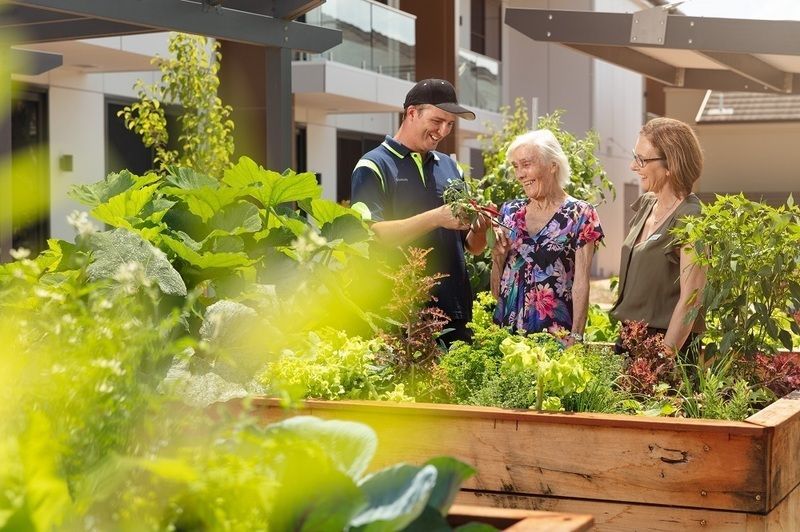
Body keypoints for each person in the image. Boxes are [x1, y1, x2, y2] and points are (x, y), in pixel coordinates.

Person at [350, 79, 490, 346]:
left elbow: (471, 247)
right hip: (400, 313)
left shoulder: (452, 168)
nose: (443, 130)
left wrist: (481, 228)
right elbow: (374, 235)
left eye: (450, 124)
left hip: (454, 311)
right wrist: (436, 217)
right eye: (437, 121)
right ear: (412, 113)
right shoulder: (373, 166)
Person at [491, 129, 603, 343]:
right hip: (508, 334)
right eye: (516, 167)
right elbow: (497, 291)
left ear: (552, 165)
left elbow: (581, 283)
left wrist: (576, 337)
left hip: (556, 335)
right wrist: (497, 256)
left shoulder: (580, 214)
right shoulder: (509, 212)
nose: (520, 174)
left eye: (526, 164)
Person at [610, 117, 706, 360]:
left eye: (642, 159)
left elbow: (692, 300)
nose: (633, 166)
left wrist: (663, 359)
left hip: (666, 345)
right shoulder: (646, 205)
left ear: (671, 164)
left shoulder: (691, 217)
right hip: (630, 338)